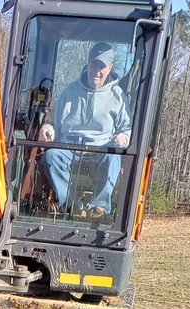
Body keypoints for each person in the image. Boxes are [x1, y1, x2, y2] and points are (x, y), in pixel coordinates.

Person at [39, 42, 131, 217]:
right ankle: (74, 206)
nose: (97, 70)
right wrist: (48, 128)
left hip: (100, 150)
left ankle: (100, 207)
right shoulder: (70, 91)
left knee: (113, 159)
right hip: (69, 149)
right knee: (50, 156)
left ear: (110, 68)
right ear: (88, 63)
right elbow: (53, 121)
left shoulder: (118, 96)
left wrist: (124, 137)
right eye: (94, 64)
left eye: (102, 66)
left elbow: (126, 127)